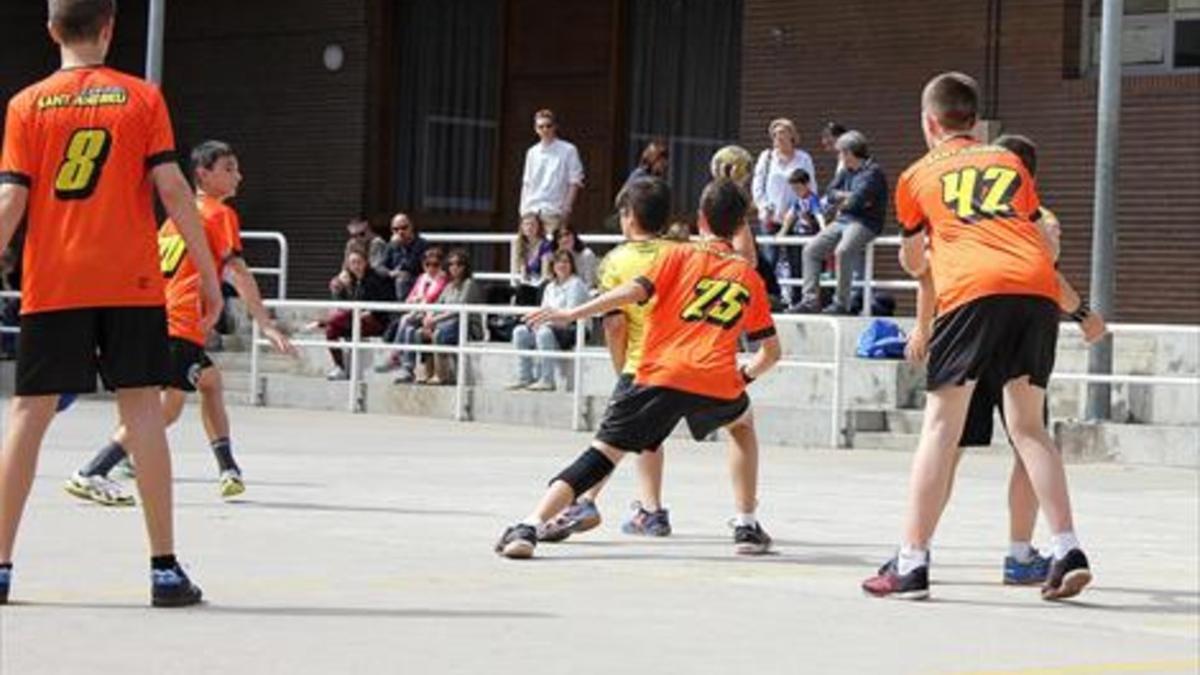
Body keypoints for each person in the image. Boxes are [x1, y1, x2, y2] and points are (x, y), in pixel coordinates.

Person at [0, 0, 222, 607]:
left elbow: (12, 202)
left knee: (28, 416)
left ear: (51, 30)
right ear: (110, 28)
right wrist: (206, 272)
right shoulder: (142, 98)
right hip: (131, 282)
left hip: (55, 281)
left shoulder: (26, 104)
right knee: (143, 413)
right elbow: (174, 189)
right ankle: (165, 571)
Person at [862, 72, 1092, 602]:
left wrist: (917, 255)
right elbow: (1038, 238)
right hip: (1035, 291)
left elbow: (916, 260)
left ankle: (912, 563)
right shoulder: (1009, 161)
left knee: (940, 429)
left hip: (974, 291)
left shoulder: (917, 176)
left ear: (929, 122)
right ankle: (1067, 546)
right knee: (1030, 428)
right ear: (975, 121)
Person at [494, 179, 782, 560]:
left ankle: (529, 526)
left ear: (699, 219)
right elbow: (771, 354)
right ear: (742, 227)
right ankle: (746, 523)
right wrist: (740, 378)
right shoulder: (749, 277)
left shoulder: (679, 256)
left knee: (604, 453)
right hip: (716, 381)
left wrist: (572, 313)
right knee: (742, 424)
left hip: (659, 373)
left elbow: (631, 293)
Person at [895, 133, 1107, 587]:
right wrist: (1083, 313)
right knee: (1027, 436)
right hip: (1022, 314)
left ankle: (914, 552)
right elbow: (1045, 269)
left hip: (966, 313)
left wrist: (925, 326)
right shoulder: (1033, 216)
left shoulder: (939, 192)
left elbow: (923, 270)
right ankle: (1030, 551)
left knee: (945, 439)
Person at [64, 140, 296, 504]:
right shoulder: (219, 214)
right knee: (164, 410)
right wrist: (265, 323)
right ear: (203, 174)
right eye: (230, 168)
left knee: (210, 382)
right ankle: (93, 470)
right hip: (180, 320)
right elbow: (238, 271)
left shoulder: (177, 219)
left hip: (156, 316)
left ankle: (228, 468)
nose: (239, 175)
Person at [538, 178, 680, 542]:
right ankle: (651, 512)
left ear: (628, 217)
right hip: (686, 365)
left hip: (642, 364)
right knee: (647, 436)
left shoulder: (616, 260)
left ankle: (584, 500)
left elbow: (615, 324)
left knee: (612, 438)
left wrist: (622, 371)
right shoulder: (682, 253)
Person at [793, 131, 888, 315]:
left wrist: (845, 198)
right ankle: (810, 300)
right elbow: (829, 192)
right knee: (811, 250)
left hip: (865, 222)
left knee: (843, 251)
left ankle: (841, 303)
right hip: (844, 219)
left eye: (840, 152)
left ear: (849, 152)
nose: (839, 156)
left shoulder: (873, 172)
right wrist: (846, 197)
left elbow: (857, 201)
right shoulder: (846, 171)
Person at [508, 250, 590, 392]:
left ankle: (547, 380)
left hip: (574, 328)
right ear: (553, 266)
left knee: (543, 333)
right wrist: (533, 322)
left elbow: (569, 316)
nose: (562, 265)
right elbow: (543, 311)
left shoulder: (576, 284)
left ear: (572, 265)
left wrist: (543, 324)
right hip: (551, 327)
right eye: (559, 262)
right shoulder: (550, 287)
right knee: (520, 331)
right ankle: (525, 376)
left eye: (566, 262)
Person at [751, 118, 817, 277]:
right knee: (769, 259)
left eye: (782, 133)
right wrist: (763, 206)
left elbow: (811, 185)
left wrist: (807, 210)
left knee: (797, 261)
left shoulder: (803, 158)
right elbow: (757, 185)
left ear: (792, 136)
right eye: (774, 135)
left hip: (796, 216)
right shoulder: (767, 157)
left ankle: (796, 299)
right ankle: (767, 297)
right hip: (771, 216)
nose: (777, 138)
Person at [320, 244, 395, 380]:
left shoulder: (376, 278)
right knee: (331, 330)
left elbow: (387, 302)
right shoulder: (350, 280)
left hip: (374, 321)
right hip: (354, 320)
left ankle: (322, 322)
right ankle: (340, 368)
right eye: (352, 263)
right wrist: (344, 288)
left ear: (366, 262)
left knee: (343, 317)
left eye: (359, 262)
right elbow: (343, 306)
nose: (356, 266)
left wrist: (371, 311)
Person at [419, 248, 485, 385]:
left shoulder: (469, 284)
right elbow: (438, 305)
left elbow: (459, 309)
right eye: (451, 264)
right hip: (446, 324)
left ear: (465, 267)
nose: (454, 267)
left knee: (439, 333)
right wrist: (429, 318)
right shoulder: (448, 286)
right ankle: (428, 372)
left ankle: (441, 374)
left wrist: (435, 320)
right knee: (422, 333)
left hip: (467, 326)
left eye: (459, 264)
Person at [388, 247, 450, 383]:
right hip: (419, 314)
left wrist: (420, 298)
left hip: (433, 316)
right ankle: (408, 370)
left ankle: (395, 353)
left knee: (405, 319)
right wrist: (417, 299)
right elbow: (409, 298)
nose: (431, 268)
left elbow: (432, 297)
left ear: (441, 265)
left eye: (435, 264)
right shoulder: (422, 278)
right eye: (427, 264)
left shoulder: (443, 279)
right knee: (409, 330)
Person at [519, 108, 584, 237]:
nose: (545, 130)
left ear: (555, 127)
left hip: (554, 210)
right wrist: (522, 209)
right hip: (531, 210)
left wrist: (566, 208)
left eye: (548, 126)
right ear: (536, 129)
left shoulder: (568, 150)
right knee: (527, 252)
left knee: (552, 253)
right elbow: (526, 182)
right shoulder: (532, 152)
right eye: (540, 126)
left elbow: (575, 181)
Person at [378, 212, 428, 302]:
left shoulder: (422, 245)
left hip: (415, 280)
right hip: (395, 280)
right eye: (396, 229)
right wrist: (391, 273)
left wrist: (401, 247)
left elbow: (411, 265)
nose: (400, 232)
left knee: (402, 281)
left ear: (411, 227)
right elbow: (380, 266)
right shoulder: (391, 246)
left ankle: (401, 311)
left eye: (404, 228)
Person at [331, 217, 386, 295]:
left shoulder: (377, 243)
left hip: (371, 275)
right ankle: (340, 307)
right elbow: (346, 264)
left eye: (361, 234)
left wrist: (360, 272)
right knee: (336, 283)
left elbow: (376, 266)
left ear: (368, 230)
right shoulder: (351, 243)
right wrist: (344, 273)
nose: (357, 238)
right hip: (354, 273)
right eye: (354, 235)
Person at [511, 212, 554, 305]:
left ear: (538, 227)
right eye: (526, 224)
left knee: (525, 290)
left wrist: (530, 284)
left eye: (532, 224)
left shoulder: (545, 245)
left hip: (542, 283)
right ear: (522, 227)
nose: (529, 227)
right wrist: (524, 282)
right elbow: (523, 273)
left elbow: (545, 274)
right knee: (494, 291)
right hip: (529, 283)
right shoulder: (521, 245)